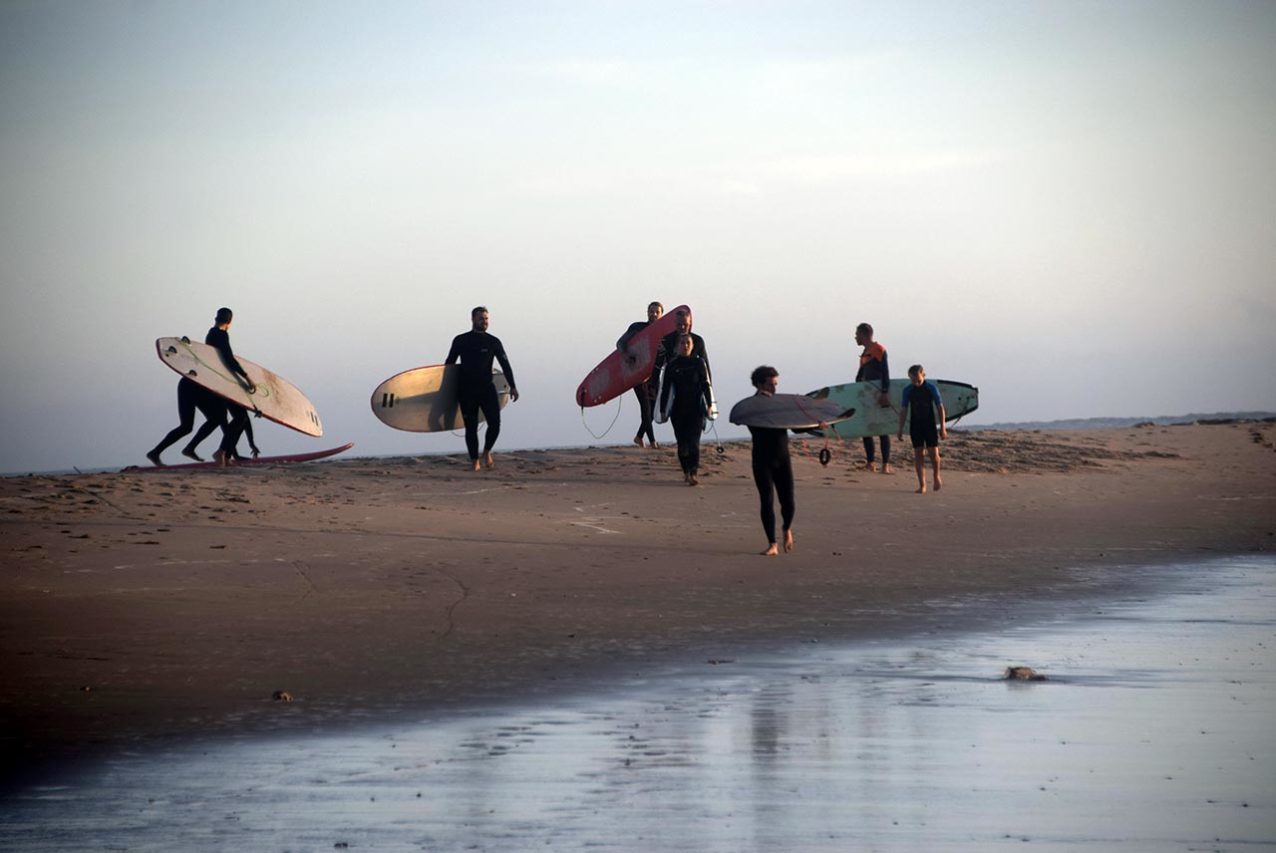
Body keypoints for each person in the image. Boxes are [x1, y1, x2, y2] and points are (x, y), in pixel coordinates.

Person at [445, 306, 520, 471]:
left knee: (495, 423)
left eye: (486, 319)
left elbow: (505, 365)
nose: (484, 322)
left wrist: (513, 386)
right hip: (466, 390)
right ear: (472, 319)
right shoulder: (461, 340)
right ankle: (474, 461)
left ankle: (486, 452)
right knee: (470, 427)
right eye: (481, 318)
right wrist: (445, 391)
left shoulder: (493, 342)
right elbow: (449, 365)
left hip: (486, 388)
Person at [746, 365, 795, 555]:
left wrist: (818, 424)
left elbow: (796, 426)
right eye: (770, 384)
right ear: (759, 384)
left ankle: (786, 528)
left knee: (788, 501)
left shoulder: (779, 404)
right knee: (766, 500)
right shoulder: (751, 406)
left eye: (776, 384)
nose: (775, 389)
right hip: (762, 459)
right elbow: (752, 425)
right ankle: (772, 544)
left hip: (782, 458)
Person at [657, 334, 713, 485]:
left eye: (688, 343)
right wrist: (662, 410)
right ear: (677, 347)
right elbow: (665, 390)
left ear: (692, 345)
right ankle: (686, 472)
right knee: (682, 445)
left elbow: (705, 385)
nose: (685, 345)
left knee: (694, 443)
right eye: (682, 343)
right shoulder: (672, 366)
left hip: (696, 410)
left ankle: (693, 473)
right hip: (678, 411)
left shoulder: (698, 363)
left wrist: (709, 405)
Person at [206, 308, 258, 467]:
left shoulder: (211, 334)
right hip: (225, 383)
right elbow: (228, 358)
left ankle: (226, 455)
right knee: (240, 418)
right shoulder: (221, 334)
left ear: (216, 318)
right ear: (229, 322)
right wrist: (246, 377)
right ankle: (221, 452)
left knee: (240, 418)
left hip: (220, 382)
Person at [147, 377, 228, 465]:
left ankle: (188, 448)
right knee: (188, 426)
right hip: (192, 383)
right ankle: (156, 453)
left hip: (194, 384)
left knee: (215, 418)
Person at [617, 301, 663, 448]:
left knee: (654, 406)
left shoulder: (666, 333)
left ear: (662, 315)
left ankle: (639, 436)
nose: (653, 314)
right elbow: (620, 343)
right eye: (651, 311)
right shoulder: (637, 327)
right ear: (647, 312)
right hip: (637, 372)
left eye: (657, 312)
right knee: (645, 406)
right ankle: (653, 441)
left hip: (654, 374)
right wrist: (626, 356)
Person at [897, 364, 948, 494]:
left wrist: (943, 428)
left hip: (929, 424)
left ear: (923, 374)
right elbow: (903, 410)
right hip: (916, 425)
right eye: (912, 380)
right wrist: (900, 429)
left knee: (933, 453)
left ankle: (936, 476)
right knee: (918, 454)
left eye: (918, 380)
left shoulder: (931, 388)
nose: (916, 383)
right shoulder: (908, 390)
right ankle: (922, 485)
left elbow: (940, 408)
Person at [854, 322, 892, 473]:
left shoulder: (879, 349)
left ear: (864, 335)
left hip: (879, 394)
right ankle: (870, 462)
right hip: (867, 396)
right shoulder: (864, 353)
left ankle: (885, 465)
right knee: (866, 429)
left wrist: (884, 393)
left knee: (882, 429)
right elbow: (859, 377)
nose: (855, 337)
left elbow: (885, 373)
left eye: (857, 334)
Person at [653, 308, 711, 386]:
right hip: (672, 381)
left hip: (693, 382)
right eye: (679, 324)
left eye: (685, 324)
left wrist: (710, 391)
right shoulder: (666, 340)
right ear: (675, 323)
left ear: (690, 323)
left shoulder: (698, 341)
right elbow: (658, 365)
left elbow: (706, 366)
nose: (682, 327)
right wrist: (654, 386)